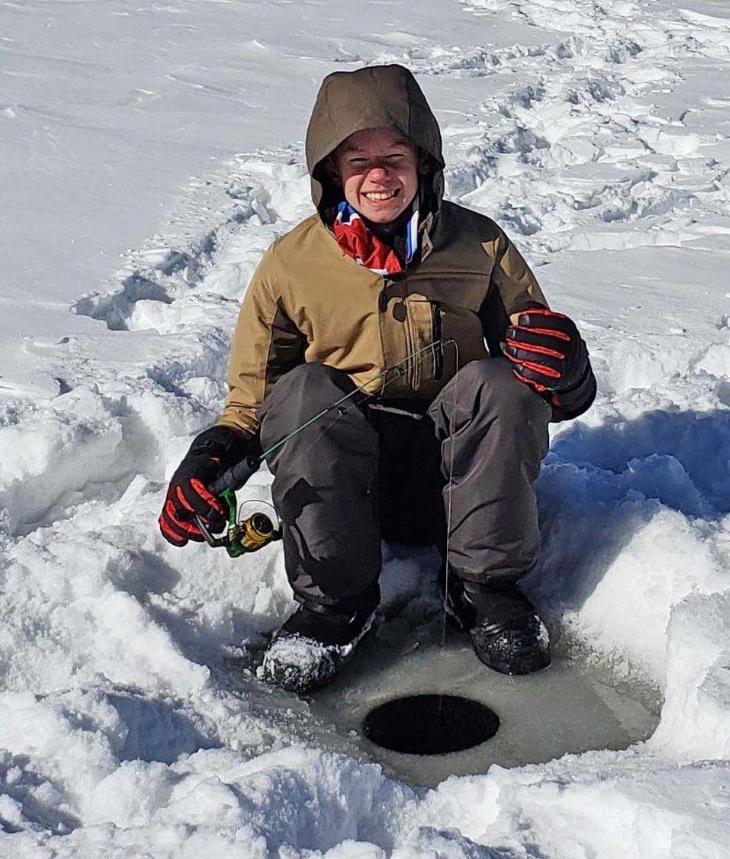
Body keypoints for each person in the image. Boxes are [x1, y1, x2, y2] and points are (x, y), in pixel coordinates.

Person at [159, 64, 596, 693]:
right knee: (304, 391)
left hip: (461, 482)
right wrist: (209, 463)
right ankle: (336, 606)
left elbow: (542, 374)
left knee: (500, 385)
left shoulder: (481, 245)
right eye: (357, 159)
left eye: (395, 154)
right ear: (331, 172)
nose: (377, 175)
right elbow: (254, 405)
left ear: (425, 163)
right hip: (350, 489)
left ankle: (482, 588)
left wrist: (570, 373)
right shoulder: (291, 263)